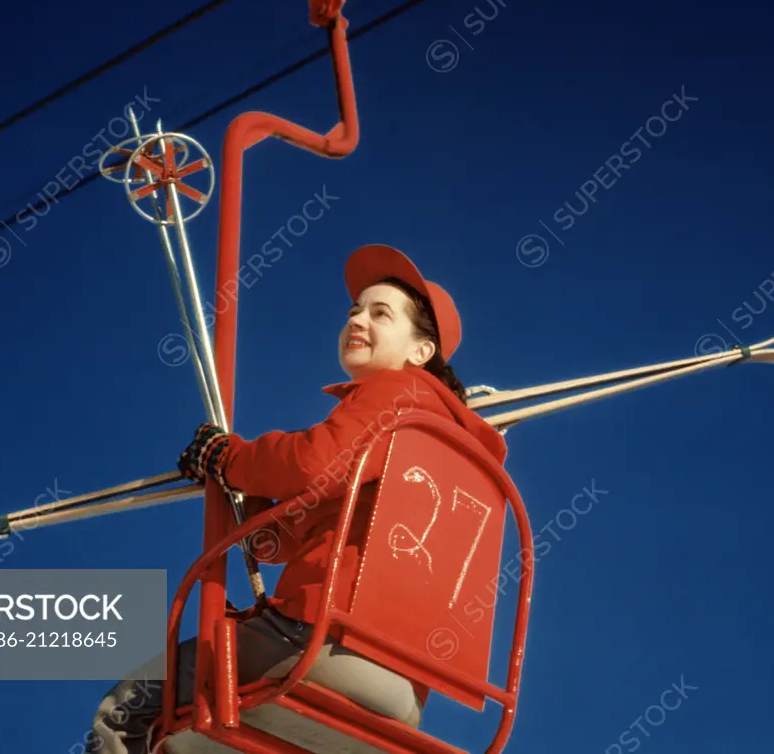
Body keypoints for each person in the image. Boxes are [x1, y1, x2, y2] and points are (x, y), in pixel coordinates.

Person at [84, 244, 508, 753]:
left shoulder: (398, 393)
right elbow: (291, 530)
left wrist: (227, 457)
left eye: (381, 313)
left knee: (131, 710)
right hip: (404, 694)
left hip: (322, 643)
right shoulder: (452, 454)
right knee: (191, 746)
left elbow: (311, 463)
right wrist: (250, 503)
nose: (357, 319)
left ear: (422, 353)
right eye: (355, 309)